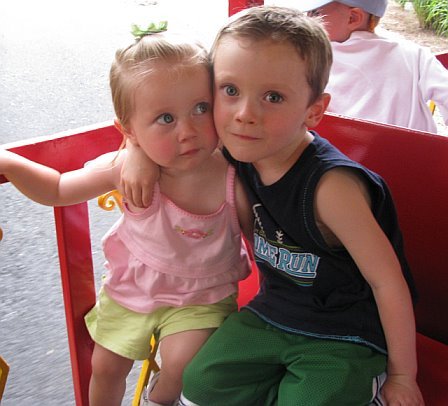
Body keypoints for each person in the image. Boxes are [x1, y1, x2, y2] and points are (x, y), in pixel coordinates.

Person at [120, 6, 424, 405]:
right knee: (201, 382)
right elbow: (153, 115)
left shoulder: (330, 188)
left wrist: (403, 376)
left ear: (314, 111)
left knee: (314, 398)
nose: (245, 114)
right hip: (275, 312)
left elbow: (388, 281)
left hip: (343, 330)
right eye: (230, 91)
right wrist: (136, 150)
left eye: (273, 97)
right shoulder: (234, 151)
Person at [0, 30, 252, 406]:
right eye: (165, 118)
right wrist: (6, 160)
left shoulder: (233, 170)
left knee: (184, 363)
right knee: (105, 366)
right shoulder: (124, 168)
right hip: (134, 288)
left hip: (204, 294)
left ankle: (160, 396)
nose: (188, 131)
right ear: (129, 131)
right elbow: (56, 189)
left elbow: (263, 236)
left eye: (201, 108)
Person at [299, 0, 448, 134]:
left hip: (341, 157)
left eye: (315, 13)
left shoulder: (312, 58)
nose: (307, 19)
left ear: (353, 18)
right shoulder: (415, 55)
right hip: (413, 157)